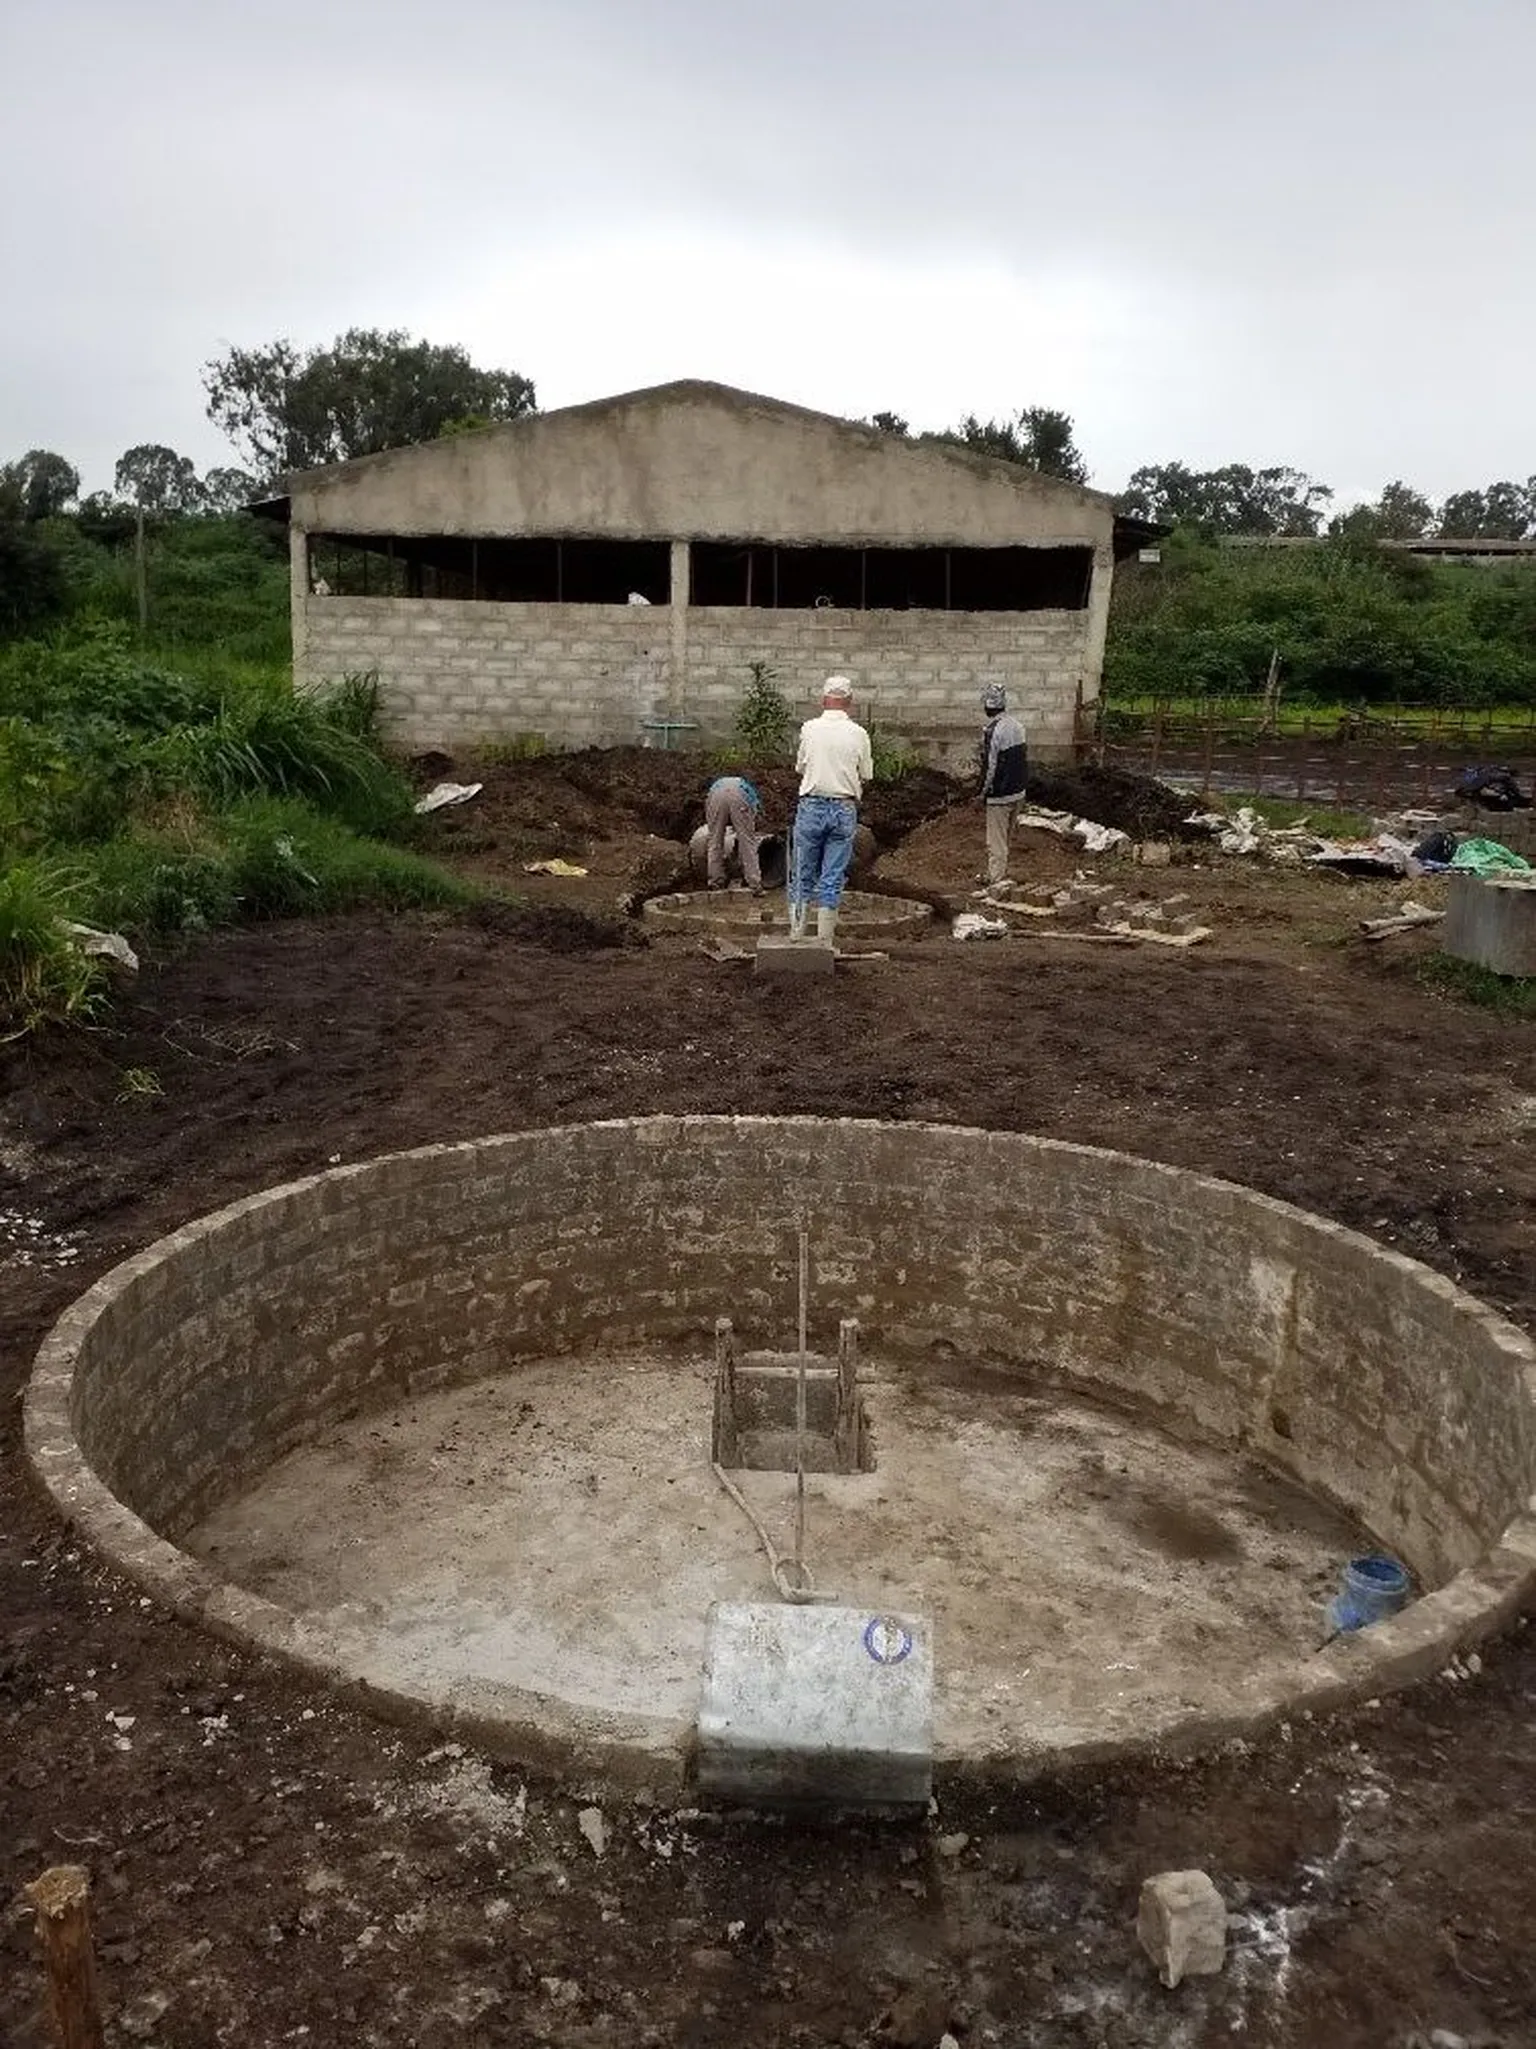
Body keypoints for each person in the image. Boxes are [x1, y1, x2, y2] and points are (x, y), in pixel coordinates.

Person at [790, 675, 874, 946]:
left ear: (824, 700)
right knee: (832, 876)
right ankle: (825, 940)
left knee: (803, 872)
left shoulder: (809, 728)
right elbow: (867, 774)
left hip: (812, 805)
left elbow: (801, 767)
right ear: (849, 702)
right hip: (843, 807)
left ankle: (797, 934)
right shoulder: (859, 734)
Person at [977, 685, 1028, 887]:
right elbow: (1023, 759)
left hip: (1000, 795)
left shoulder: (993, 731)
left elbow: (991, 767)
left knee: (996, 842)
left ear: (988, 706)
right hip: (1018, 792)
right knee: (1006, 838)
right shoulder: (1018, 726)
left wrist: (981, 793)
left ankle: (996, 882)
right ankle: (998, 874)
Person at [704, 774, 764, 893]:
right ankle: (754, 883)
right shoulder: (750, 791)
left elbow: (709, 812)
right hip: (739, 795)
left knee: (714, 839)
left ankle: (715, 881)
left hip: (716, 795)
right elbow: (750, 825)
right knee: (747, 841)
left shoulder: (715, 786)